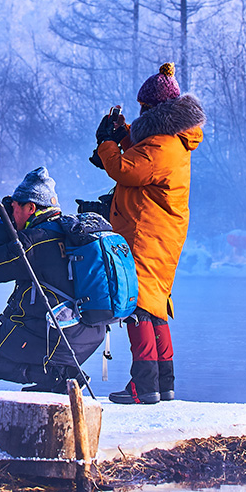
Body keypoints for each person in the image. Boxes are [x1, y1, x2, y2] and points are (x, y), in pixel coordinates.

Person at [94, 63, 205, 404]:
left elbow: (125, 169)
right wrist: (123, 133)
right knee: (155, 307)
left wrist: (108, 143)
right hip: (160, 233)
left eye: (143, 109)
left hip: (146, 235)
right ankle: (163, 383)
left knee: (138, 305)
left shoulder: (161, 147)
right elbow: (141, 150)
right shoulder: (171, 141)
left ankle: (143, 387)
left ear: (155, 110)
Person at [0, 167, 108, 392]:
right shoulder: (70, 230)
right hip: (90, 331)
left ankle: (59, 378)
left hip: (60, 335)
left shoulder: (34, 241)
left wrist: (0, 223)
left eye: (15, 208)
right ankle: (59, 375)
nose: (12, 213)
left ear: (31, 207)